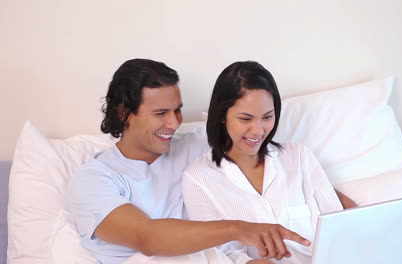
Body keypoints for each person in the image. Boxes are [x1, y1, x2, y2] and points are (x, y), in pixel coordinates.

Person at [66, 59, 311, 264]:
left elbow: (285, 172)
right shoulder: (93, 180)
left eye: (177, 110)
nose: (174, 123)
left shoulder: (197, 144)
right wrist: (240, 229)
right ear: (124, 114)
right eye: (161, 113)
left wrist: (333, 206)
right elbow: (146, 238)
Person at [182, 61, 347, 264]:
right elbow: (217, 251)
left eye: (267, 117)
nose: (258, 130)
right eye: (245, 119)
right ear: (222, 116)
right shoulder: (198, 177)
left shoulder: (299, 156)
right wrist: (249, 262)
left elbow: (338, 225)